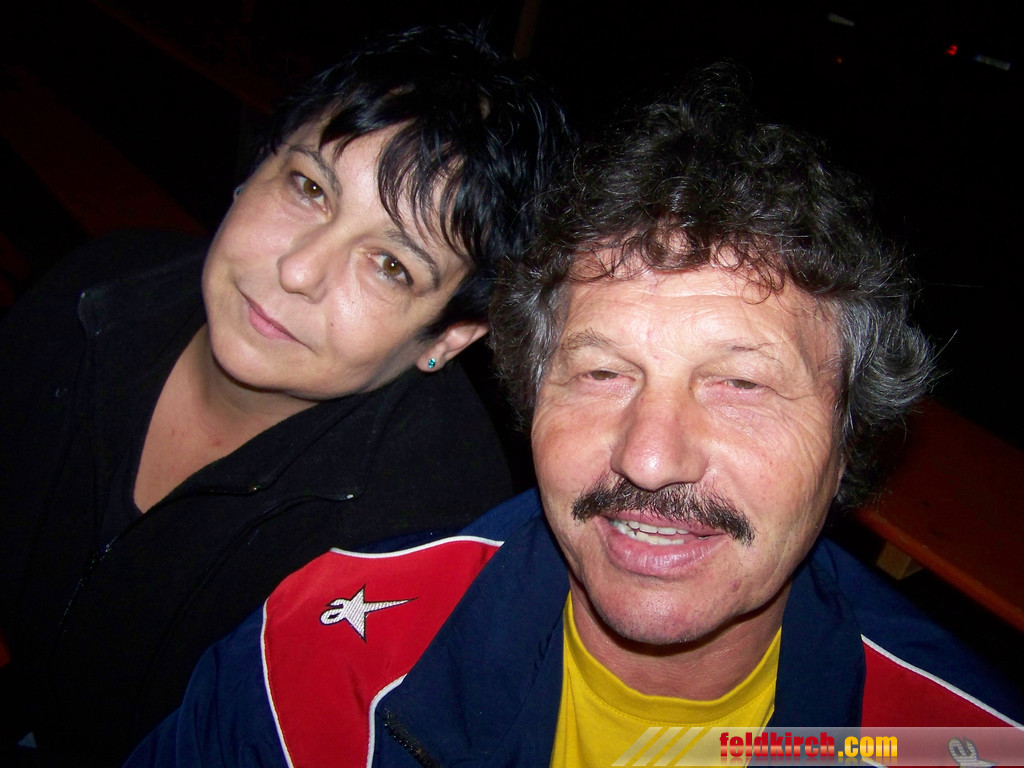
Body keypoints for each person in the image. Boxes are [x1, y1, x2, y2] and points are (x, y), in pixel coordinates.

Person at [126, 66, 1023, 768]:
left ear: (849, 434)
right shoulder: (327, 659)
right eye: (600, 373)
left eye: (739, 385)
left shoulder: (963, 742)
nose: (649, 457)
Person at [0, 24, 572, 766]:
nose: (299, 271)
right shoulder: (94, 293)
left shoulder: (418, 545)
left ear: (448, 337)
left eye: (390, 265)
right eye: (310, 188)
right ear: (258, 164)